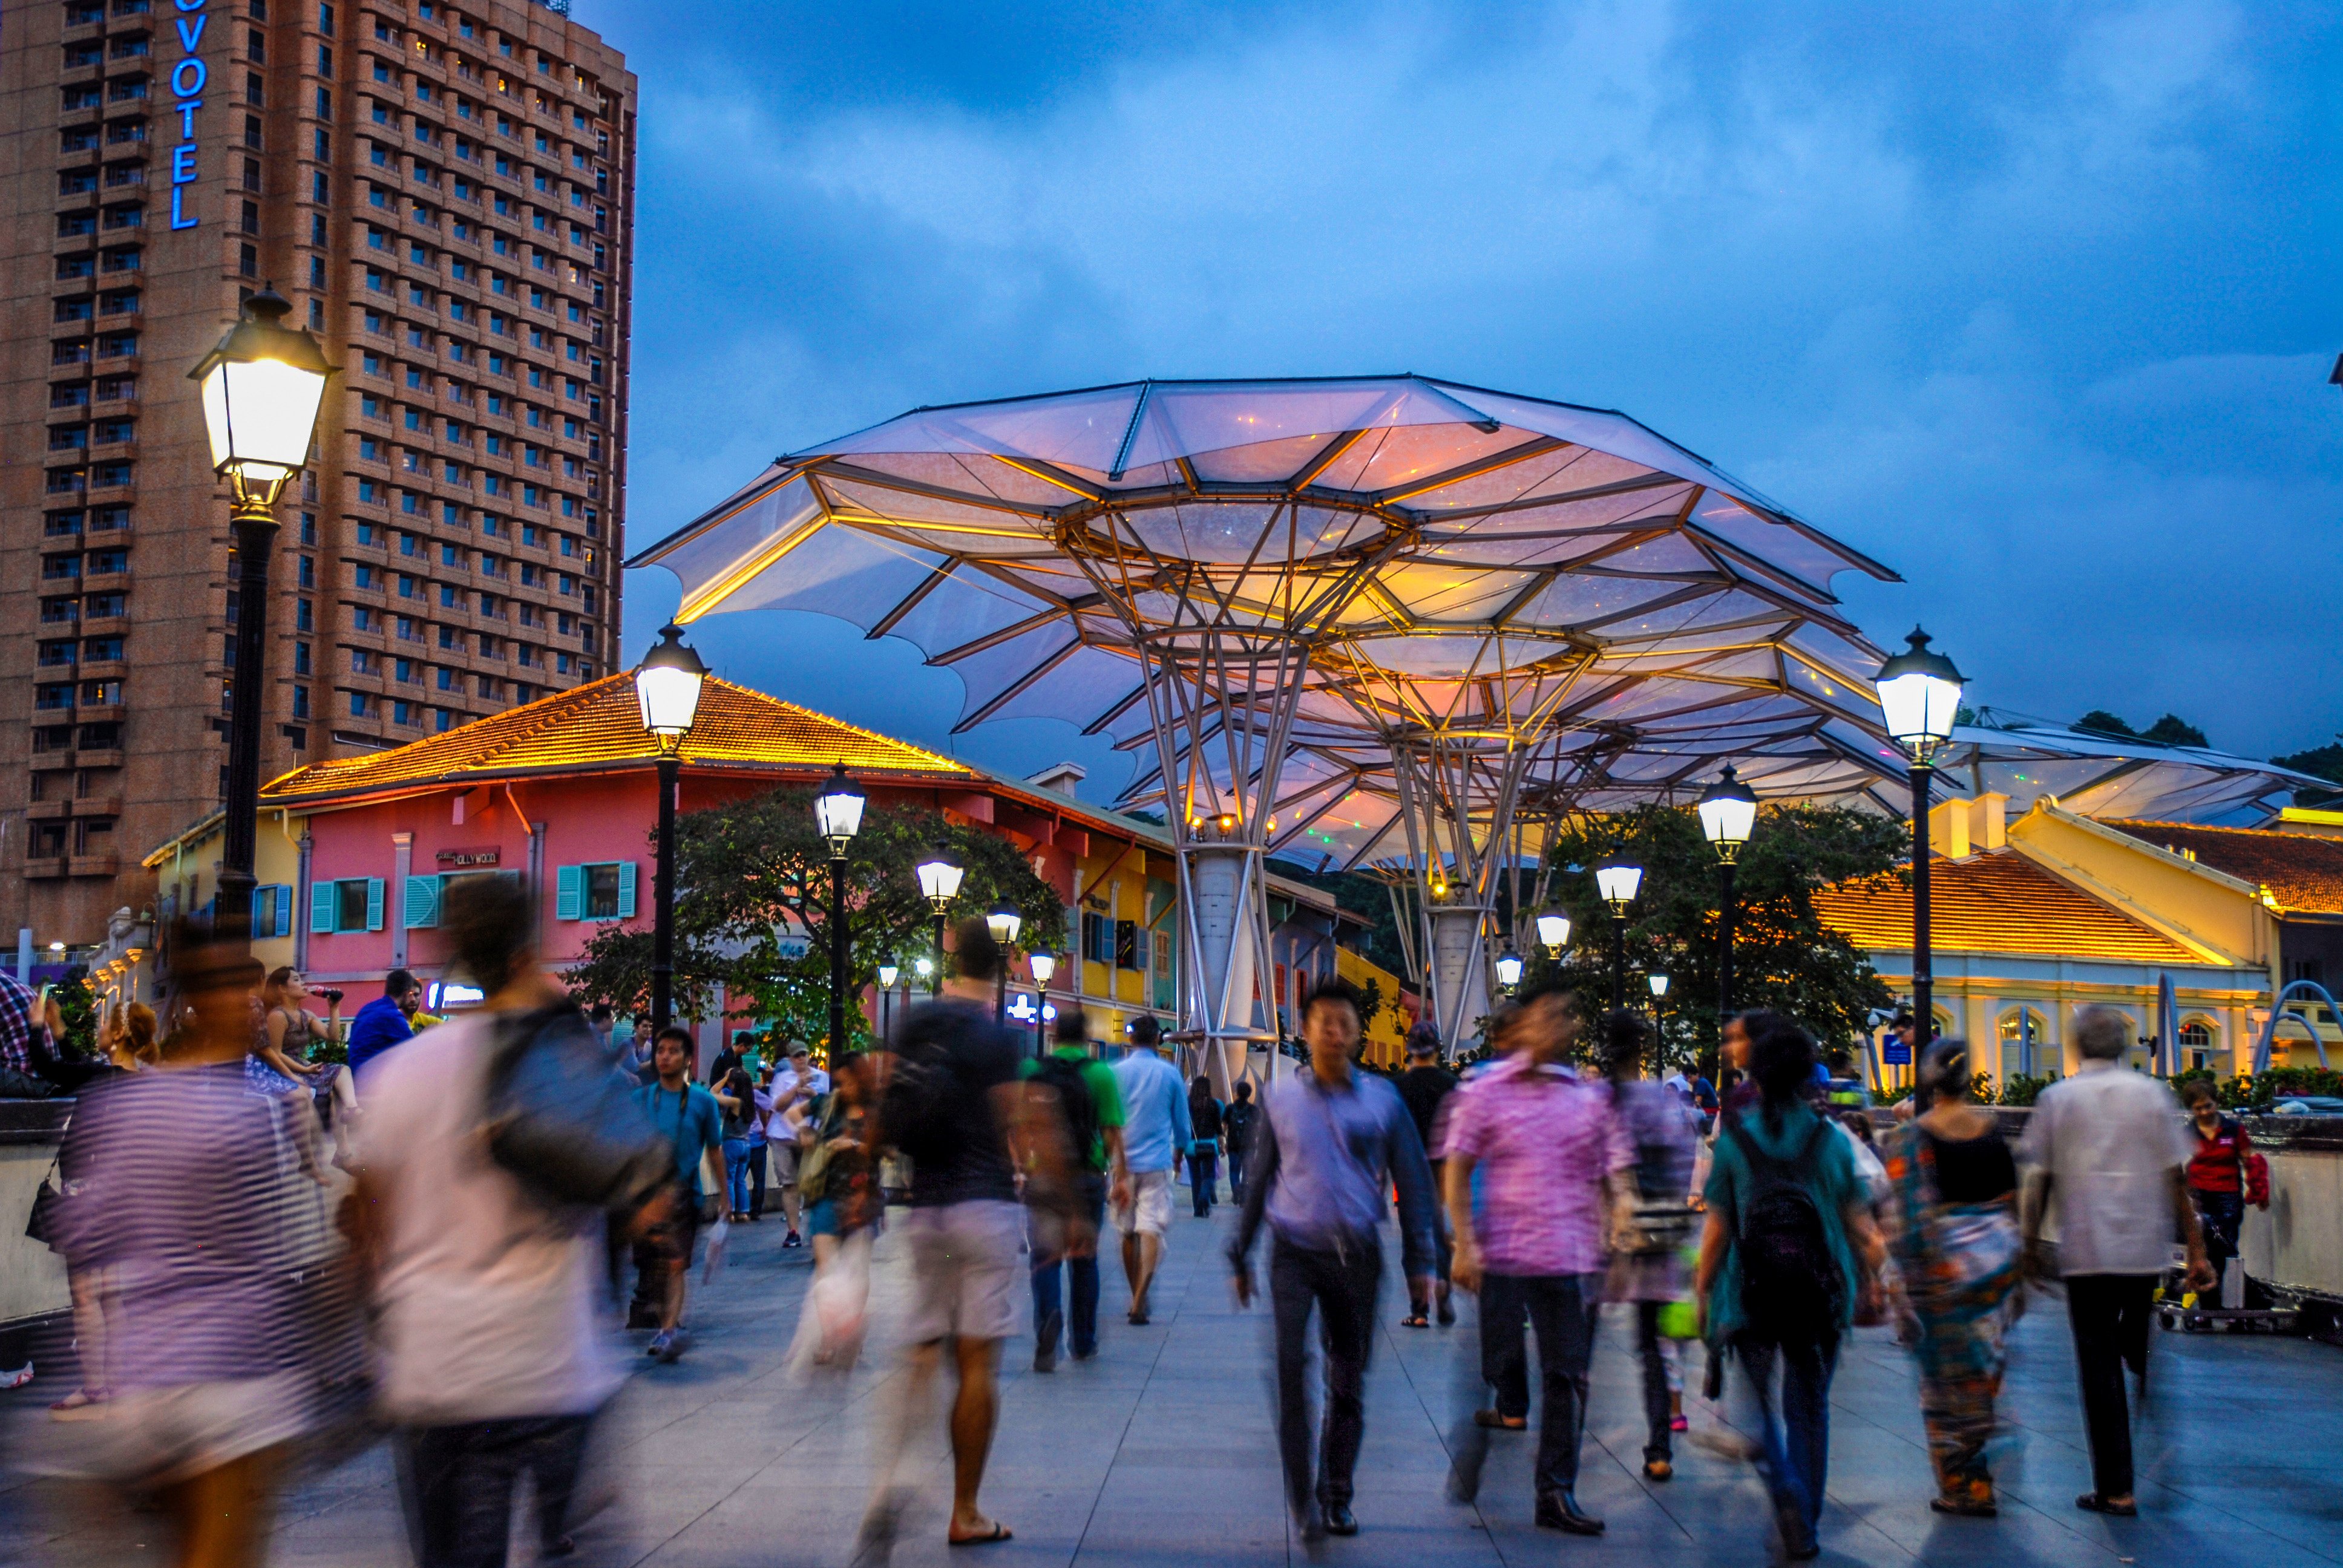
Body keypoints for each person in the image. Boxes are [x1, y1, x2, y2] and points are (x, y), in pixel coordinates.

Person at [353, 874, 664, 1567]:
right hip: (553, 1364)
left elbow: (368, 1227)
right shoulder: (563, 1061)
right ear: (530, 949)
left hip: (437, 1370)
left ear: (451, 954)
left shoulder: (396, 1076)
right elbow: (640, 1192)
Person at [38, 927, 320, 1568]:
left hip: (146, 1384)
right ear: (219, 1002)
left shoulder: (121, 1105)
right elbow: (266, 1253)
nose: (257, 1011)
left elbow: (84, 1234)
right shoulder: (247, 1114)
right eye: (248, 997)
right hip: (232, 1390)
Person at [1228, 978, 1437, 1540]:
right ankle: (1302, 1495)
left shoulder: (1383, 1100)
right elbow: (1260, 1177)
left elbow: (1413, 1182)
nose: (1334, 1032)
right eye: (1323, 1021)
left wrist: (1422, 1260)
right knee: (1291, 1371)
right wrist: (1240, 1252)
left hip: (1357, 1257)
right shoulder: (1281, 1099)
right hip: (1292, 1254)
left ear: (1357, 1033)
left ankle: (1336, 1492)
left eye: (1344, 1022)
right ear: (1305, 1029)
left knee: (1347, 1381)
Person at [863, 920, 1043, 1551]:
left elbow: (882, 1107)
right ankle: (964, 1511)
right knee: (975, 1364)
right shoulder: (999, 1038)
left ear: (950, 955)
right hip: (984, 1209)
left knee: (920, 1348)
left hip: (926, 1213)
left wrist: (862, 1181)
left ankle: (894, 1475)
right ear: (1003, 966)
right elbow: (1015, 1121)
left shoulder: (915, 1024)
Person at [1694, 1011, 1889, 1561]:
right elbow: (1859, 1225)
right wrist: (1876, 1280)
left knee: (1761, 1409)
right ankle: (1804, 1516)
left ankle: (1782, 1485)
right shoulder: (1832, 1141)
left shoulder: (1734, 1143)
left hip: (1750, 1290)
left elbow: (1717, 1231)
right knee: (1809, 1407)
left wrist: (1703, 1291)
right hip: (1820, 1290)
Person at [1443, 988, 1634, 1534]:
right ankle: (1474, 1436)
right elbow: (1458, 1166)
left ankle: (1555, 1491)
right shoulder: (1487, 1091)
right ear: (1522, 1026)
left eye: (1561, 1017)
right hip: (1503, 1252)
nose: (1553, 1026)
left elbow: (1611, 1174)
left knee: (1565, 1376)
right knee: (1499, 1362)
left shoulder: (1587, 1098)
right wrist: (1463, 1242)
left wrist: (1618, 1231)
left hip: (1566, 1257)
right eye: (1542, 1016)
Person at [2020, 1004, 2214, 1518]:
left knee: (2096, 1365)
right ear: (2124, 1047)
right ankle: (2138, 1355)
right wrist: (2197, 1249)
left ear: (2079, 1047)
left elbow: (2043, 1177)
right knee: (2135, 1333)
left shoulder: (2057, 1098)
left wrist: (2025, 1249)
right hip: (2142, 1248)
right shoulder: (2151, 1094)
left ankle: (2117, 1488)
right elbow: (2176, 1177)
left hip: (2086, 1250)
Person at [1879, 1039, 2024, 1518]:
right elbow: (2011, 1202)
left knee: (1941, 1383)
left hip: (1943, 1275)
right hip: (1995, 1271)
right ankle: (1979, 1472)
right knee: (1984, 1373)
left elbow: (1904, 1220)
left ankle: (1961, 1484)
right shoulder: (1992, 1131)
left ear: (1927, 1079)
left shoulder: (1911, 1138)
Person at [1603, 1010, 1700, 1483]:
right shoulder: (1664, 1103)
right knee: (1656, 1348)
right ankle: (1659, 1446)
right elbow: (1686, 1158)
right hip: (1662, 1235)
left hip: (1612, 1241)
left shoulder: (1605, 1103)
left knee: (1574, 1350)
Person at [1020, 1010, 1130, 1371]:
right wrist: (1122, 1177)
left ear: (1054, 1034)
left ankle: (1048, 1323)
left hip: (1043, 1177)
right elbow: (1112, 1131)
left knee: (1045, 1257)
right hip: (1086, 1177)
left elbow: (1018, 1128)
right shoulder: (1100, 1074)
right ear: (1085, 1037)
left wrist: (1022, 1167)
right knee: (1085, 1258)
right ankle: (1083, 1341)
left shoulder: (1032, 1073)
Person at [629, 1027, 727, 1361]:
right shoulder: (640, 1099)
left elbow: (715, 1151)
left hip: (685, 1196)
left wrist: (726, 1199)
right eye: (660, 1051)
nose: (665, 1057)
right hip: (647, 1198)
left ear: (688, 1059)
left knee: (675, 1264)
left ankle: (669, 1328)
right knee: (651, 1264)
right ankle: (666, 1319)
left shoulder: (702, 1101)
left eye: (673, 1051)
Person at [790, 1051, 883, 1372]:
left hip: (863, 1197)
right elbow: (792, 1114)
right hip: (827, 1193)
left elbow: (888, 1151)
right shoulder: (828, 1103)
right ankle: (830, 1336)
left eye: (849, 1081)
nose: (844, 1088)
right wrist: (804, 1131)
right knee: (826, 1270)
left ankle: (853, 1332)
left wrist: (856, 1146)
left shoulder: (875, 1111)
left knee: (857, 1272)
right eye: (839, 1082)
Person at [1110, 1016, 1191, 1325]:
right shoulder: (1170, 1074)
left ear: (1130, 1039)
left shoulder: (1116, 1073)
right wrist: (1178, 1154)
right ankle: (1142, 1295)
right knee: (1151, 1229)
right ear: (1158, 1039)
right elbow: (1183, 1126)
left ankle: (1135, 1298)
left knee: (1127, 1231)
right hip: (1157, 1162)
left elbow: (1109, 1121)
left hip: (1123, 1165)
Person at [1394, 1022, 1460, 1328]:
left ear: (1410, 1049)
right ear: (1437, 1049)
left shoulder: (1398, 1087)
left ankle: (1419, 1309)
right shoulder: (1452, 1084)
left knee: (1414, 1236)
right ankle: (1444, 1292)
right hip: (1444, 1166)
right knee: (1441, 1232)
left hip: (1408, 1167)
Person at [2181, 1078, 2263, 1301]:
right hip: (2199, 1196)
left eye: (2208, 1106)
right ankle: (2209, 1304)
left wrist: (2257, 1188)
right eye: (2198, 1108)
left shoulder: (2233, 1130)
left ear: (2216, 1103)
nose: (2205, 1112)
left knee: (2227, 1249)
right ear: (2192, 1109)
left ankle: (2234, 1302)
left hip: (2228, 1196)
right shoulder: (2187, 1133)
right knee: (2203, 1250)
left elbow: (2249, 1160)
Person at [770, 1044, 829, 1247]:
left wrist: (812, 1093)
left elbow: (827, 1105)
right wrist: (796, 1088)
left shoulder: (822, 1077)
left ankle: (817, 1231)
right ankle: (793, 1231)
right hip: (783, 1135)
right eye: (796, 1057)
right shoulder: (781, 1078)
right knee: (789, 1184)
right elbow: (777, 1106)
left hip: (810, 1136)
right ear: (790, 1058)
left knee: (813, 1183)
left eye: (804, 1055)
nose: (801, 1059)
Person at [346, 969, 424, 1079]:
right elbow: (416, 1052)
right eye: (411, 994)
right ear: (406, 992)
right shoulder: (392, 1016)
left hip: (356, 1076)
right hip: (372, 1081)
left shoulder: (368, 1008)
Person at [720, 1065, 757, 1223]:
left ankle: (731, 1212)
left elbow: (712, 1094)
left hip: (732, 1143)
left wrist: (724, 1078)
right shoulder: (750, 1102)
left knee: (729, 1178)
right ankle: (743, 1212)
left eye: (731, 1083)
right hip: (746, 1143)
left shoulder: (735, 1102)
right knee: (741, 1179)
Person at [1186, 1073, 1224, 1218]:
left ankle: (1198, 1209)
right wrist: (1221, 1142)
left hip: (1191, 1145)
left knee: (1195, 1178)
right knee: (1209, 1176)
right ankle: (1205, 1198)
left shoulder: (1188, 1103)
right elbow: (1218, 1128)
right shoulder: (1213, 1104)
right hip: (1209, 1143)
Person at [1224, 1079, 1259, 1203]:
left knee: (1234, 1171)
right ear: (1249, 1094)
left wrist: (1224, 1140)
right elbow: (1258, 1127)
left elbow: (1224, 1126)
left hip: (1233, 1145)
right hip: (1249, 1145)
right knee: (1247, 1172)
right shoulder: (1254, 1110)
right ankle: (1244, 1195)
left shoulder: (1230, 1109)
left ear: (1237, 1093)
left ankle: (1236, 1191)